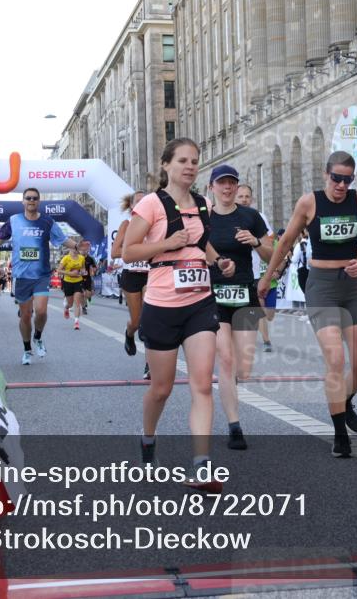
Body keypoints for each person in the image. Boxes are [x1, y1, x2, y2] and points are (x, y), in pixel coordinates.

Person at [122, 138, 234, 490]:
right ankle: (148, 438)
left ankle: (202, 465)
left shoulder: (202, 204)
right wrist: (166, 244)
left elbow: (202, 243)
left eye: (194, 161)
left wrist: (219, 261)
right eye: (183, 160)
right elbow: (129, 252)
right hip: (162, 304)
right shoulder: (152, 205)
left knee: (202, 384)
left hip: (200, 302)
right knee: (161, 389)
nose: (190, 166)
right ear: (166, 165)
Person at [259, 151, 357, 458]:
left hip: (352, 286)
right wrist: (268, 278)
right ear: (326, 175)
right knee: (335, 358)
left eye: (347, 180)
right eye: (336, 178)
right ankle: (339, 434)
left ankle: (345, 399)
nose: (340, 185)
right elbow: (284, 243)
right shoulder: (309, 203)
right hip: (321, 286)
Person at [0, 187, 80, 365]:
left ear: (39, 201)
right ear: (23, 201)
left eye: (35, 198)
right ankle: (27, 349)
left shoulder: (47, 222)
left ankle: (38, 337)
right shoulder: (14, 221)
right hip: (22, 276)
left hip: (41, 274)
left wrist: (77, 246)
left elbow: (63, 239)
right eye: (28, 198)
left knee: (41, 312)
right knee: (26, 316)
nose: (31, 200)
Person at [206, 165, 274, 449]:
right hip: (214, 294)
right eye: (222, 183)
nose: (227, 188)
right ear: (212, 187)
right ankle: (234, 426)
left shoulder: (251, 216)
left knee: (244, 367)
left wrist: (256, 241)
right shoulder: (204, 218)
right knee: (226, 359)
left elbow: (272, 253)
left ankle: (229, 384)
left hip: (244, 293)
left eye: (232, 183)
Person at [112, 190, 151, 379]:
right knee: (136, 321)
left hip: (152, 275)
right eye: (139, 202)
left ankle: (149, 365)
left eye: (146, 201)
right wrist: (139, 251)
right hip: (131, 275)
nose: (143, 204)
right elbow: (115, 252)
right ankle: (129, 333)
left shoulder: (156, 224)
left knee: (150, 320)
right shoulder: (127, 225)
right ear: (132, 206)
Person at [235, 184, 277, 352]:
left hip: (257, 268)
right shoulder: (228, 215)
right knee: (255, 307)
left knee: (268, 312)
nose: (244, 199)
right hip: (238, 272)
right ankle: (266, 341)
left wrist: (272, 267)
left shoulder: (259, 217)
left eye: (247, 196)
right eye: (241, 196)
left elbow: (270, 243)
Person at [58, 242, 86, 331]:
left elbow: (83, 269)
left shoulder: (81, 258)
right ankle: (66, 308)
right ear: (70, 249)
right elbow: (58, 270)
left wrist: (82, 272)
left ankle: (76, 322)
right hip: (68, 282)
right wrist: (70, 273)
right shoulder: (66, 258)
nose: (75, 250)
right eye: (73, 248)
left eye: (76, 248)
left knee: (77, 302)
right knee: (70, 304)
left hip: (78, 281)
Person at [79, 240, 96, 314]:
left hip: (88, 277)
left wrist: (93, 270)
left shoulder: (90, 258)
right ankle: (83, 307)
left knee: (89, 293)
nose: (85, 251)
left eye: (87, 250)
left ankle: (87, 299)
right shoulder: (78, 258)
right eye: (84, 250)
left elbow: (95, 267)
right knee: (82, 293)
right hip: (79, 278)